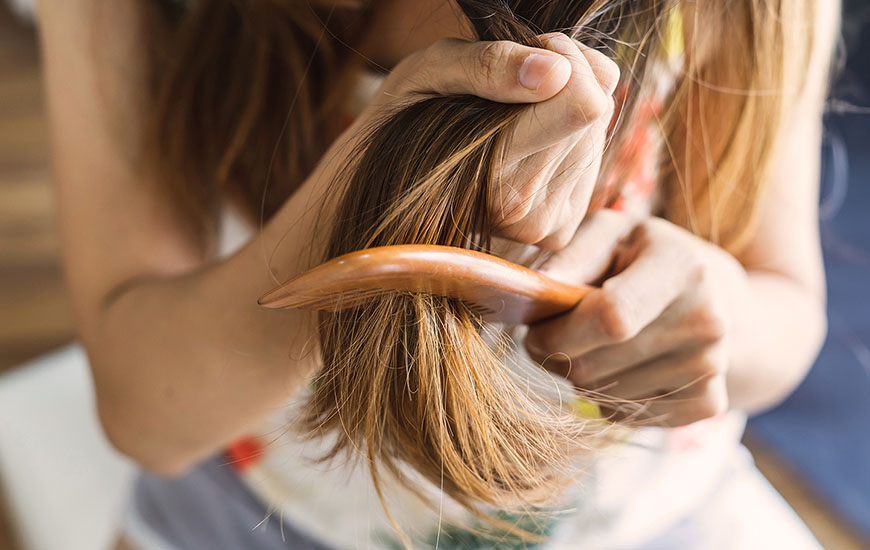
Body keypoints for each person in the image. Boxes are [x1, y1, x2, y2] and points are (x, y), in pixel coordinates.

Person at [34, 0, 839, 548]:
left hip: (650, 520)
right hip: (251, 521)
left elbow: (786, 312)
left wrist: (720, 318)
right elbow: (146, 417)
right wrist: (374, 182)